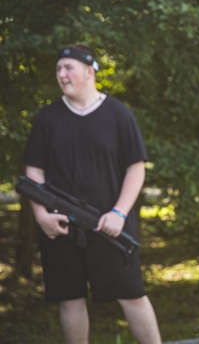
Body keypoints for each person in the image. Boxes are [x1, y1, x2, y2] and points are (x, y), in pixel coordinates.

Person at [22, 44, 162, 344]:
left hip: (111, 227)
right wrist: (42, 216)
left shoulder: (118, 114)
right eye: (58, 69)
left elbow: (136, 168)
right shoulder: (47, 118)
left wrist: (119, 213)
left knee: (133, 296)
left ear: (89, 72)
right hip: (60, 228)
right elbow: (33, 172)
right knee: (69, 300)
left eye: (68, 68)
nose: (62, 74)